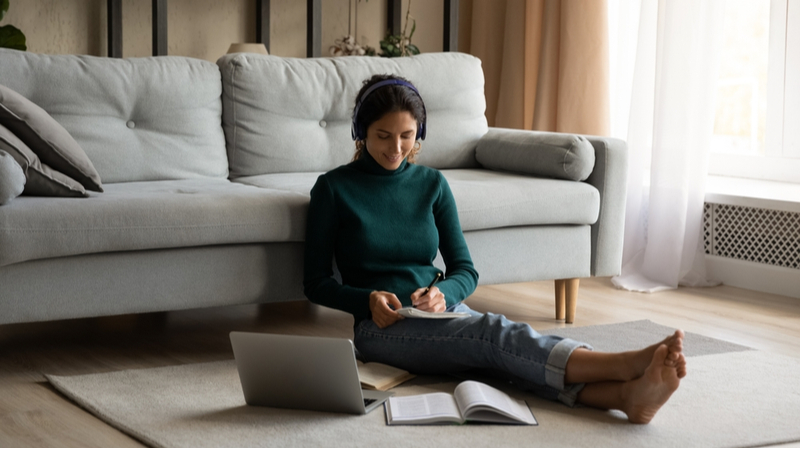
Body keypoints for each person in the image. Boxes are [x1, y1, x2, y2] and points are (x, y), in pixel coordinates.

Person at [303, 74, 687, 424]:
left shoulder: (431, 184)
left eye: (407, 135)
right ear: (360, 131)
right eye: (383, 135)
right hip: (381, 330)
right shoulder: (334, 189)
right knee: (492, 333)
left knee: (504, 363)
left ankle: (624, 397)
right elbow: (315, 282)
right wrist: (366, 299)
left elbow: (465, 270)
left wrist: (442, 294)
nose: (396, 148)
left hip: (442, 312)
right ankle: (622, 364)